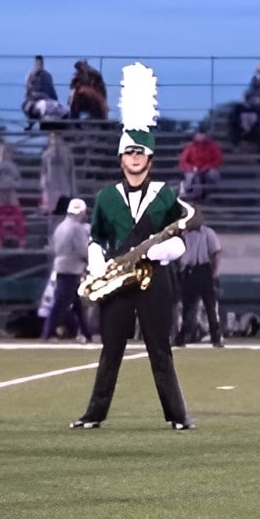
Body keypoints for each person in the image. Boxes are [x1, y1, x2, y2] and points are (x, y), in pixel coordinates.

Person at [71, 63, 193, 430]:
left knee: (160, 349)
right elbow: (96, 237)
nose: (135, 158)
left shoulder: (164, 194)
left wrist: (164, 251)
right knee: (111, 349)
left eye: (141, 153)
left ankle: (177, 416)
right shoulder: (106, 197)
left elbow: (181, 239)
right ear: (121, 158)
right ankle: (94, 414)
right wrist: (97, 262)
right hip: (118, 279)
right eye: (129, 153)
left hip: (155, 279)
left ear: (150, 159)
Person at [42, 199, 93, 342]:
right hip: (72, 269)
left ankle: (85, 332)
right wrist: (92, 261)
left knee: (77, 304)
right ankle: (48, 332)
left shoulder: (60, 227)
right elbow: (83, 249)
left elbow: (54, 248)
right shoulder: (77, 228)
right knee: (61, 303)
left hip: (61, 267)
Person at [175, 214, 223, 348]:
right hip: (189, 271)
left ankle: (216, 337)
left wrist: (214, 272)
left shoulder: (208, 233)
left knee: (210, 306)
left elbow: (216, 253)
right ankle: (183, 336)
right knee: (187, 307)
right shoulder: (184, 235)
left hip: (204, 269)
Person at [0, 143, 26, 247]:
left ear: (10, 153)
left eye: (6, 151)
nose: (4, 153)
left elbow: (19, 181)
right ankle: (0, 242)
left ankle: (21, 240)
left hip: (10, 192)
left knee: (17, 216)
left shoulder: (13, 166)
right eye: (2, 151)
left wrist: (11, 186)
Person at [22, 55, 65, 126]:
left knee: (26, 106)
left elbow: (28, 91)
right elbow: (52, 91)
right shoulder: (46, 75)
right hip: (46, 99)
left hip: (38, 100)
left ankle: (30, 122)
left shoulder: (32, 75)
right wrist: (55, 100)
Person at [39, 132, 75, 214]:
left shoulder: (67, 154)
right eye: (53, 138)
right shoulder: (46, 155)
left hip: (64, 191)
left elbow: (71, 173)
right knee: (52, 216)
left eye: (57, 138)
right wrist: (44, 189)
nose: (56, 140)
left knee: (64, 214)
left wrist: (73, 191)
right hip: (51, 192)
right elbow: (43, 173)